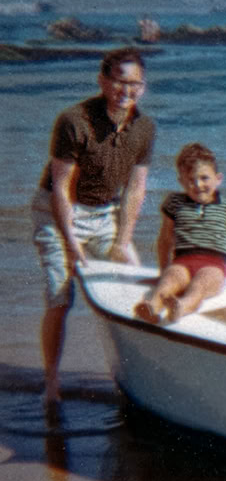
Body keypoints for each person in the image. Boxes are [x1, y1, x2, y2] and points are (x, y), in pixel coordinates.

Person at [31, 47, 155, 407]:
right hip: (58, 212)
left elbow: (136, 189)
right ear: (102, 81)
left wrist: (123, 240)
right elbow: (60, 188)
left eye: (134, 84)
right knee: (60, 296)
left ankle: (138, 376)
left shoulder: (144, 127)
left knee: (135, 286)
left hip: (105, 214)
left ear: (143, 87)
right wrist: (72, 245)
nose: (126, 91)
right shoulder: (74, 120)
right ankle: (51, 382)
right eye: (118, 81)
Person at [134, 143, 226, 324]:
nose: (198, 185)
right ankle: (151, 308)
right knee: (169, 280)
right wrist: (162, 271)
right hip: (182, 262)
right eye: (191, 180)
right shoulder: (174, 203)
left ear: (218, 178)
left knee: (199, 286)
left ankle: (181, 307)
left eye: (204, 178)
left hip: (214, 265)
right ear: (181, 181)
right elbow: (165, 239)